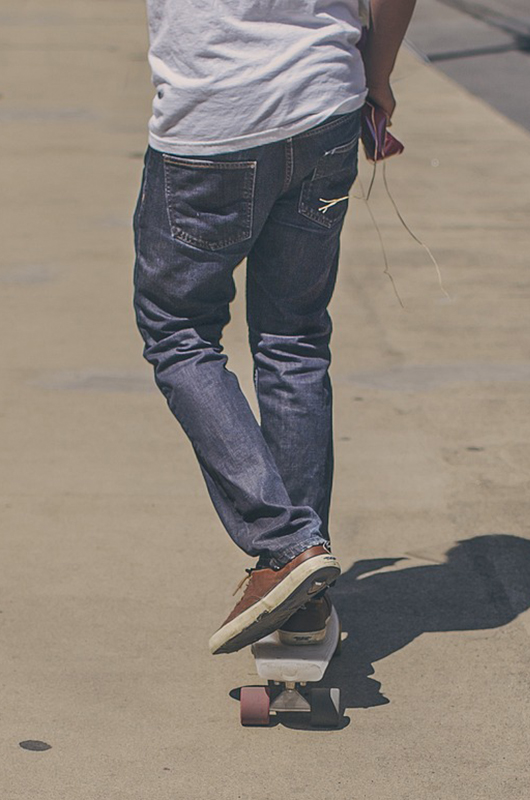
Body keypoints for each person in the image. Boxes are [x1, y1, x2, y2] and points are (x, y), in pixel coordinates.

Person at [132, 0, 418, 655]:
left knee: (180, 334)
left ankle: (287, 547)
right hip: (325, 104)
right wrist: (378, 77)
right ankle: (303, 594)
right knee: (293, 339)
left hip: (213, 117)